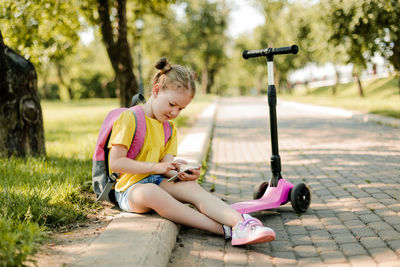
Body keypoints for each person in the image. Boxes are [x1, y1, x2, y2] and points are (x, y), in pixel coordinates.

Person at [108, 57, 275, 246]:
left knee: (192, 189)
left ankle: (241, 223)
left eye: (181, 108)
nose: (175, 113)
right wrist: (157, 167)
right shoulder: (129, 118)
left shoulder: (169, 129)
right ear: (156, 90)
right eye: (172, 104)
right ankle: (225, 229)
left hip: (156, 180)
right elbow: (116, 163)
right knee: (151, 193)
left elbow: (166, 168)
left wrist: (180, 172)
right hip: (129, 190)